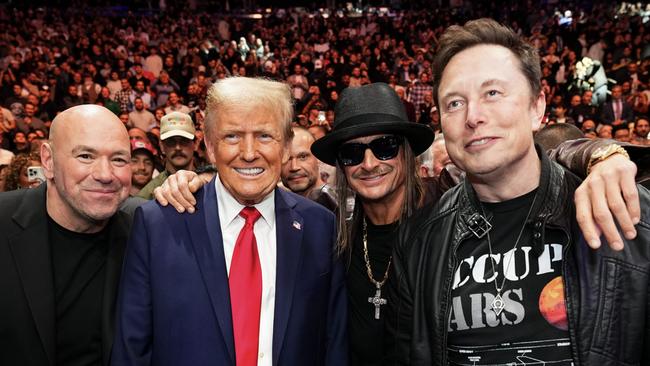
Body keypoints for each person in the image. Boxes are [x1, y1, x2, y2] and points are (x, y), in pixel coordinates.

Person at [385, 18, 649, 365]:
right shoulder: (418, 241)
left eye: (492, 93)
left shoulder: (627, 211)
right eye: (454, 103)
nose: (473, 116)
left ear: (537, 107)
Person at [111, 77, 347, 366]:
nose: (248, 153)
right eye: (232, 136)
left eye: (264, 136)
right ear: (210, 146)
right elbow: (131, 350)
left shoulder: (320, 228)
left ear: (285, 146)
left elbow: (334, 343)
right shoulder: (157, 225)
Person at [0, 104, 132, 366]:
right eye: (85, 156)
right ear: (48, 161)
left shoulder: (141, 231)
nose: (105, 174)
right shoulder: (3, 223)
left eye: (118, 159)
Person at [137, 111, 195, 199]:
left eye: (184, 141)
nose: (178, 147)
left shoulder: (209, 182)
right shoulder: (148, 195)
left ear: (194, 144)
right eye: (171, 142)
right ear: (162, 146)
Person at [281, 126, 337, 211]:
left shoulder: (331, 204)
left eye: (303, 157)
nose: (294, 167)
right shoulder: (281, 200)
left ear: (318, 158)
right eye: (286, 159)